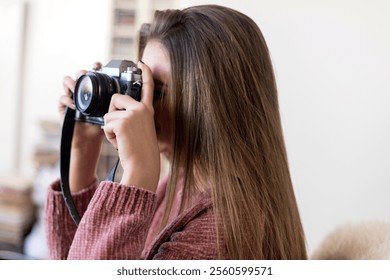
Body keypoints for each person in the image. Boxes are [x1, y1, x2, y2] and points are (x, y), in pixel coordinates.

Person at [45, 4, 307, 260]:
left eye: (155, 91)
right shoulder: (180, 183)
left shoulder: (224, 230)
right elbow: (76, 258)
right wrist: (81, 154)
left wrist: (137, 175)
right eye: (138, 83)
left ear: (213, 104)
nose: (138, 104)